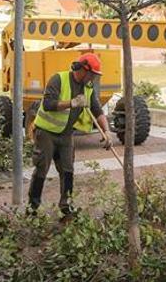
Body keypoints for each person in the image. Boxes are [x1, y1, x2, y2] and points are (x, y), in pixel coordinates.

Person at [27, 53, 111, 217]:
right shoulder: (58, 79)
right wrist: (71, 103)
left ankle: (66, 207)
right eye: (92, 74)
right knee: (42, 168)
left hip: (66, 134)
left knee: (68, 169)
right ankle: (32, 208)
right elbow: (48, 104)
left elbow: (97, 110)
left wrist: (107, 131)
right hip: (46, 133)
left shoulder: (88, 88)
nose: (93, 79)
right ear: (82, 69)